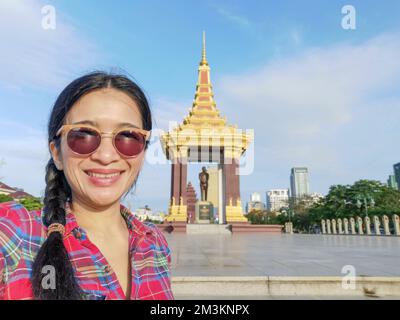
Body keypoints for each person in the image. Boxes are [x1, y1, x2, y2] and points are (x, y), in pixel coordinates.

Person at [0, 72, 174, 300]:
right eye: (83, 135)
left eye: (128, 137)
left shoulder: (155, 243)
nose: (105, 155)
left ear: (142, 152)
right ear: (57, 154)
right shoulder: (17, 234)